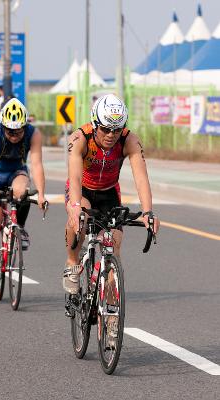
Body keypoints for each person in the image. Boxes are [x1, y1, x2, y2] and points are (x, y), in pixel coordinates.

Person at [63, 93, 160, 293]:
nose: (111, 135)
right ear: (95, 123)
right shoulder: (80, 138)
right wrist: (74, 207)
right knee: (80, 217)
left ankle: (109, 311)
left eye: (116, 130)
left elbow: (141, 177)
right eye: (105, 129)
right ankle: (72, 262)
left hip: (109, 193)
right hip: (82, 191)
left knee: (113, 243)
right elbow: (74, 178)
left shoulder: (129, 140)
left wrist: (148, 212)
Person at [0, 97, 47, 291]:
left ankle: (20, 227)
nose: (15, 135)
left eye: (19, 130)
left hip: (17, 171)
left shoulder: (33, 134)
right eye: (10, 131)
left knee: (23, 191)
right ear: (4, 126)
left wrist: (41, 194)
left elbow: (36, 164)